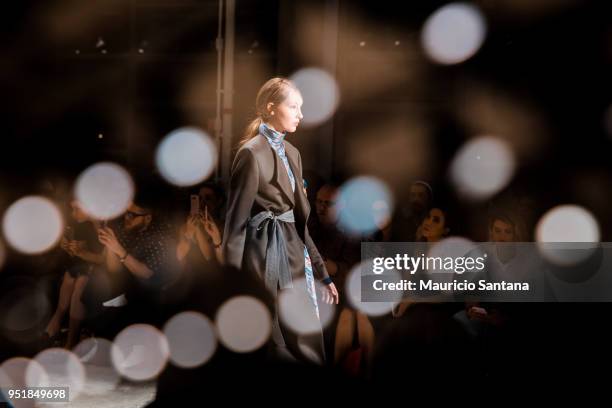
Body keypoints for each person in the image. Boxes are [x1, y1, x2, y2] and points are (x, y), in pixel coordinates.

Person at [223, 77, 339, 364]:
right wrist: (229, 286)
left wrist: (323, 274)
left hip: (295, 257)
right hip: (262, 258)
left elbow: (299, 222)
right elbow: (235, 226)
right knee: (268, 340)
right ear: (272, 107)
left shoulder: (293, 154)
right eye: (294, 106)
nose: (301, 114)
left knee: (305, 336)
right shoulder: (251, 153)